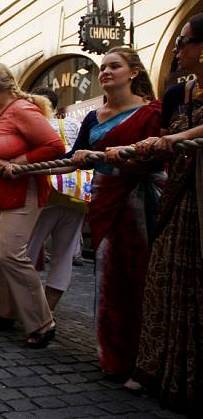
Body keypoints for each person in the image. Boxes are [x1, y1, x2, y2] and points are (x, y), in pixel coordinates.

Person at [69, 46, 163, 378]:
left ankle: (145, 360)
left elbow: (160, 159)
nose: (105, 72)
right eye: (102, 67)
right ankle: (113, 356)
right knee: (107, 277)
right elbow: (73, 154)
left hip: (140, 201)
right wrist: (80, 155)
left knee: (139, 277)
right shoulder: (93, 117)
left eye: (114, 66)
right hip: (105, 200)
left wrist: (129, 158)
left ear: (133, 72)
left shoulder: (152, 112)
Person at [130, 14, 203, 411]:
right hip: (178, 197)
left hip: (201, 199)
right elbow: (160, 135)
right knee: (165, 279)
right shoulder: (177, 93)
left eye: (184, 40)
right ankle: (162, 370)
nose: (176, 47)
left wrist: (176, 138)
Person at [0, 62, 64, 349]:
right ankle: (7, 311)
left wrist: (16, 164)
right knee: (1, 257)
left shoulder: (21, 109)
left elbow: (54, 146)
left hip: (21, 190)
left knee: (11, 254)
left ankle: (42, 322)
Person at [25, 87, 86, 311]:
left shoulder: (34, 128)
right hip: (76, 196)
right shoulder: (73, 124)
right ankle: (48, 310)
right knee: (64, 257)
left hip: (45, 195)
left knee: (26, 255)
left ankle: (30, 309)